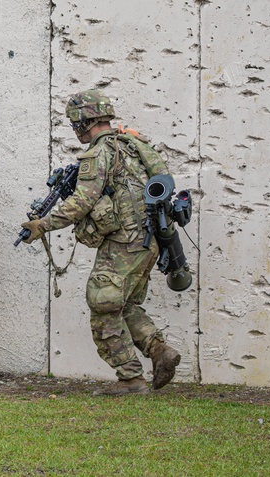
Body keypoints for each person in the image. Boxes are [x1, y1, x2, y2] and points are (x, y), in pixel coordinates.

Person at [19, 90, 182, 396]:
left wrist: (42, 225)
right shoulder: (132, 146)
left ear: (84, 121)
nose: (73, 127)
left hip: (123, 244)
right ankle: (160, 351)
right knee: (126, 305)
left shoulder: (99, 154)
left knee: (103, 308)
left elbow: (82, 202)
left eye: (74, 122)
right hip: (148, 242)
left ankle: (130, 379)